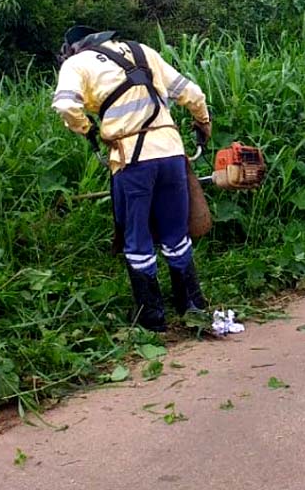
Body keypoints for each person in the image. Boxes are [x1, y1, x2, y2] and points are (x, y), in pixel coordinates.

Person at [52, 26, 213, 332]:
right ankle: (191, 305)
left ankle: (152, 317)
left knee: (137, 239)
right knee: (176, 233)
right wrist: (203, 123)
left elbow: (65, 105)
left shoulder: (77, 63)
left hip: (133, 160)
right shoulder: (142, 51)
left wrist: (86, 128)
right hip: (172, 155)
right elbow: (192, 94)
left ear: (74, 48)